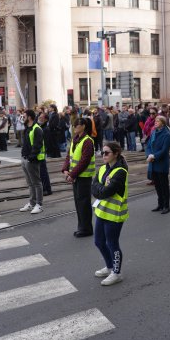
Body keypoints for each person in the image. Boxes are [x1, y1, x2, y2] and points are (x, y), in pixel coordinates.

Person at [92, 141, 129, 286]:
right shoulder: (102, 168)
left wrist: (99, 189)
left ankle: (117, 273)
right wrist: (100, 189)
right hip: (102, 212)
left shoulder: (121, 171)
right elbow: (94, 187)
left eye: (107, 153)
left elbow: (106, 191)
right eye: (102, 152)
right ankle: (109, 267)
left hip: (115, 214)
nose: (103, 155)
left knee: (112, 243)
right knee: (99, 242)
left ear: (116, 154)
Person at [63, 118, 96, 238]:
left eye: (77, 124)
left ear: (83, 126)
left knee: (83, 203)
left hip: (84, 177)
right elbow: (69, 156)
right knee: (78, 203)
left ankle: (86, 228)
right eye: (74, 124)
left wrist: (72, 174)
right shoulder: (75, 139)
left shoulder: (87, 141)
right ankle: (81, 227)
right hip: (77, 176)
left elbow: (84, 161)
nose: (75, 126)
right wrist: (65, 169)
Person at [19, 110, 45, 214]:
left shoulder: (37, 129)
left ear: (29, 117)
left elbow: (37, 145)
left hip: (32, 160)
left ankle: (39, 204)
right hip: (25, 158)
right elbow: (26, 143)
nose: (23, 117)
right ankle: (32, 202)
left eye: (24, 116)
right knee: (30, 183)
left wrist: (31, 157)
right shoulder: (27, 128)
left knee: (36, 182)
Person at [147, 115, 170, 214]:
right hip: (153, 163)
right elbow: (148, 145)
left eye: (158, 121)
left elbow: (164, 150)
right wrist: (149, 154)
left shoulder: (167, 135)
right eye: (155, 121)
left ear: (163, 122)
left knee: (164, 185)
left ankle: (166, 206)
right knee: (157, 185)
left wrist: (154, 156)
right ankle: (160, 204)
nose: (155, 122)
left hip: (161, 163)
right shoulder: (154, 132)